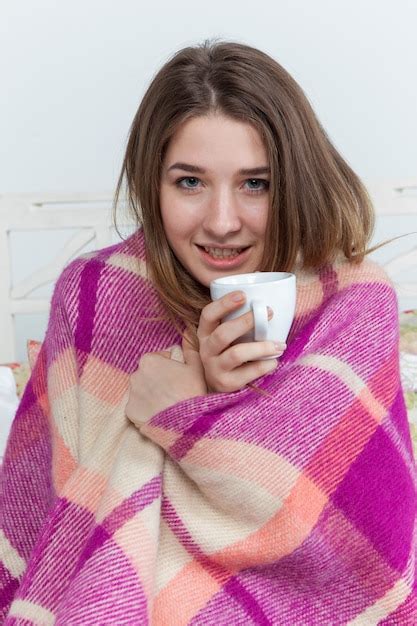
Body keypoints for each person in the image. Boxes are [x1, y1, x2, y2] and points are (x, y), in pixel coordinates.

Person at [0, 39, 415, 625]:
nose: (222, 222)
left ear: (294, 181)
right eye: (190, 183)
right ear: (154, 183)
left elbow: (338, 536)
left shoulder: (354, 301)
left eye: (256, 184)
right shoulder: (96, 296)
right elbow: (67, 516)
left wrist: (187, 408)